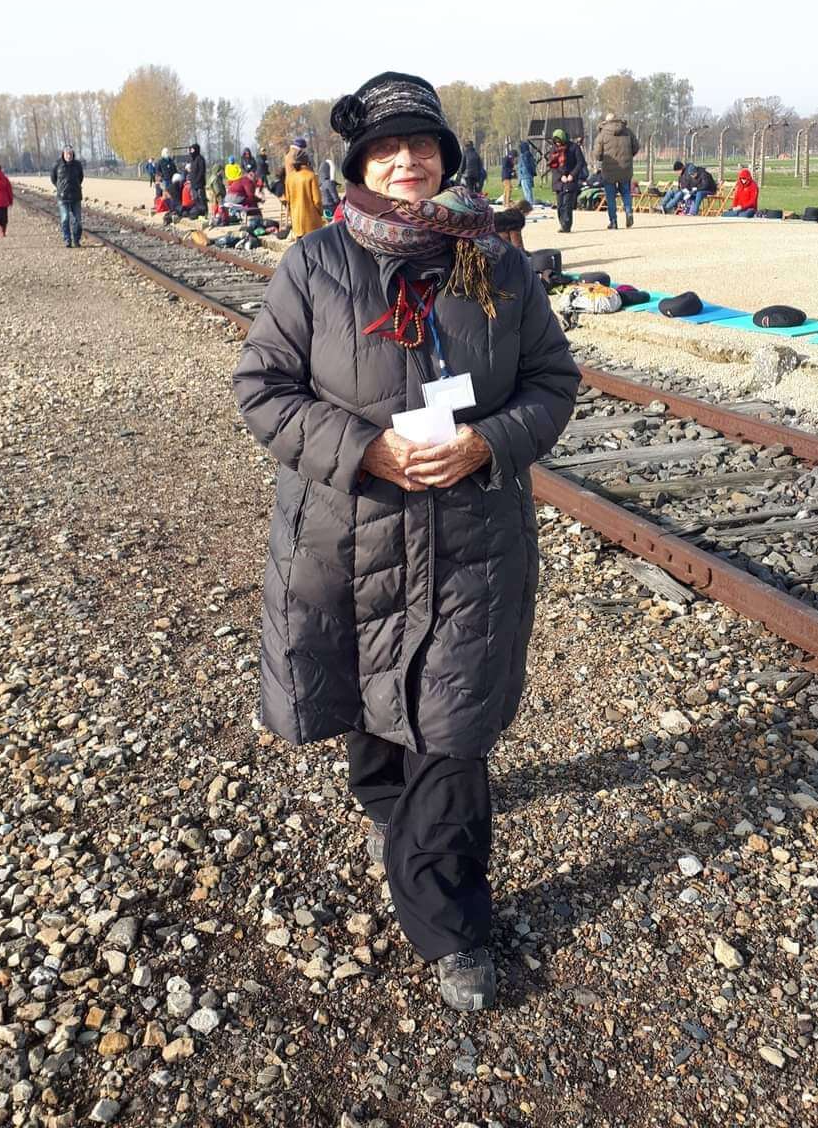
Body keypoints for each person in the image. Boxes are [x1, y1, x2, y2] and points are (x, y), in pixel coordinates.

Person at [233, 70, 579, 1013]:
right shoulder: (315, 264)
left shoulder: (497, 263)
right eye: (386, 148)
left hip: (472, 538)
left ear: (445, 157)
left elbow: (551, 381)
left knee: (452, 729)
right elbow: (262, 389)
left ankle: (450, 924)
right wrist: (366, 450)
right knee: (371, 700)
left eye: (422, 144)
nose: (406, 162)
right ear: (359, 165)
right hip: (347, 535)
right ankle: (392, 807)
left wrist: (488, 441)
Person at [592, 111, 639, 229]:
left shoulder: (602, 134)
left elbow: (597, 154)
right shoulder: (627, 131)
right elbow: (636, 147)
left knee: (610, 197)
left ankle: (613, 221)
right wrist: (628, 157)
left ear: (606, 121)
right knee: (626, 192)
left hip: (609, 170)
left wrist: (602, 159)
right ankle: (628, 212)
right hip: (625, 169)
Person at [547, 129, 587, 232]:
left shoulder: (574, 147)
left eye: (559, 141)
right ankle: (562, 223)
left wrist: (572, 175)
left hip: (570, 179)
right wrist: (560, 176)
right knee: (560, 205)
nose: (558, 144)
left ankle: (566, 225)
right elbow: (552, 165)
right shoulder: (553, 149)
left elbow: (580, 162)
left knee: (567, 204)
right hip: (559, 180)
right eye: (556, 142)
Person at [286, 145, 324, 237]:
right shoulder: (311, 176)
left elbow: (288, 200)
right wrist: (321, 213)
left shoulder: (289, 177)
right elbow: (317, 201)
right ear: (307, 161)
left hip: (296, 222)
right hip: (311, 222)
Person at [50, 144, 84, 247]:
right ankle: (67, 239)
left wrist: (76, 186)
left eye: (70, 154)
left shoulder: (77, 165)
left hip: (76, 196)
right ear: (63, 154)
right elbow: (53, 178)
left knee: (77, 221)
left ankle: (76, 240)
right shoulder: (57, 164)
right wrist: (60, 188)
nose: (69, 156)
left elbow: (81, 177)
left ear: (73, 154)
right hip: (62, 197)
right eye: (67, 153)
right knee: (65, 219)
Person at [186, 143, 207, 215]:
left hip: (199, 183)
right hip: (193, 184)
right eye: (190, 150)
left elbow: (202, 171)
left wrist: (197, 180)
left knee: (201, 198)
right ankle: (198, 212)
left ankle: (204, 213)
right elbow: (192, 171)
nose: (191, 152)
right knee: (195, 199)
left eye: (192, 150)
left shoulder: (200, 159)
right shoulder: (192, 159)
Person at [516, 141, 536, 206]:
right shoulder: (529, 155)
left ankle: (529, 204)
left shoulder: (524, 156)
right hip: (528, 175)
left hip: (525, 175)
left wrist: (521, 173)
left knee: (527, 191)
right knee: (528, 191)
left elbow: (525, 166)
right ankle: (530, 203)